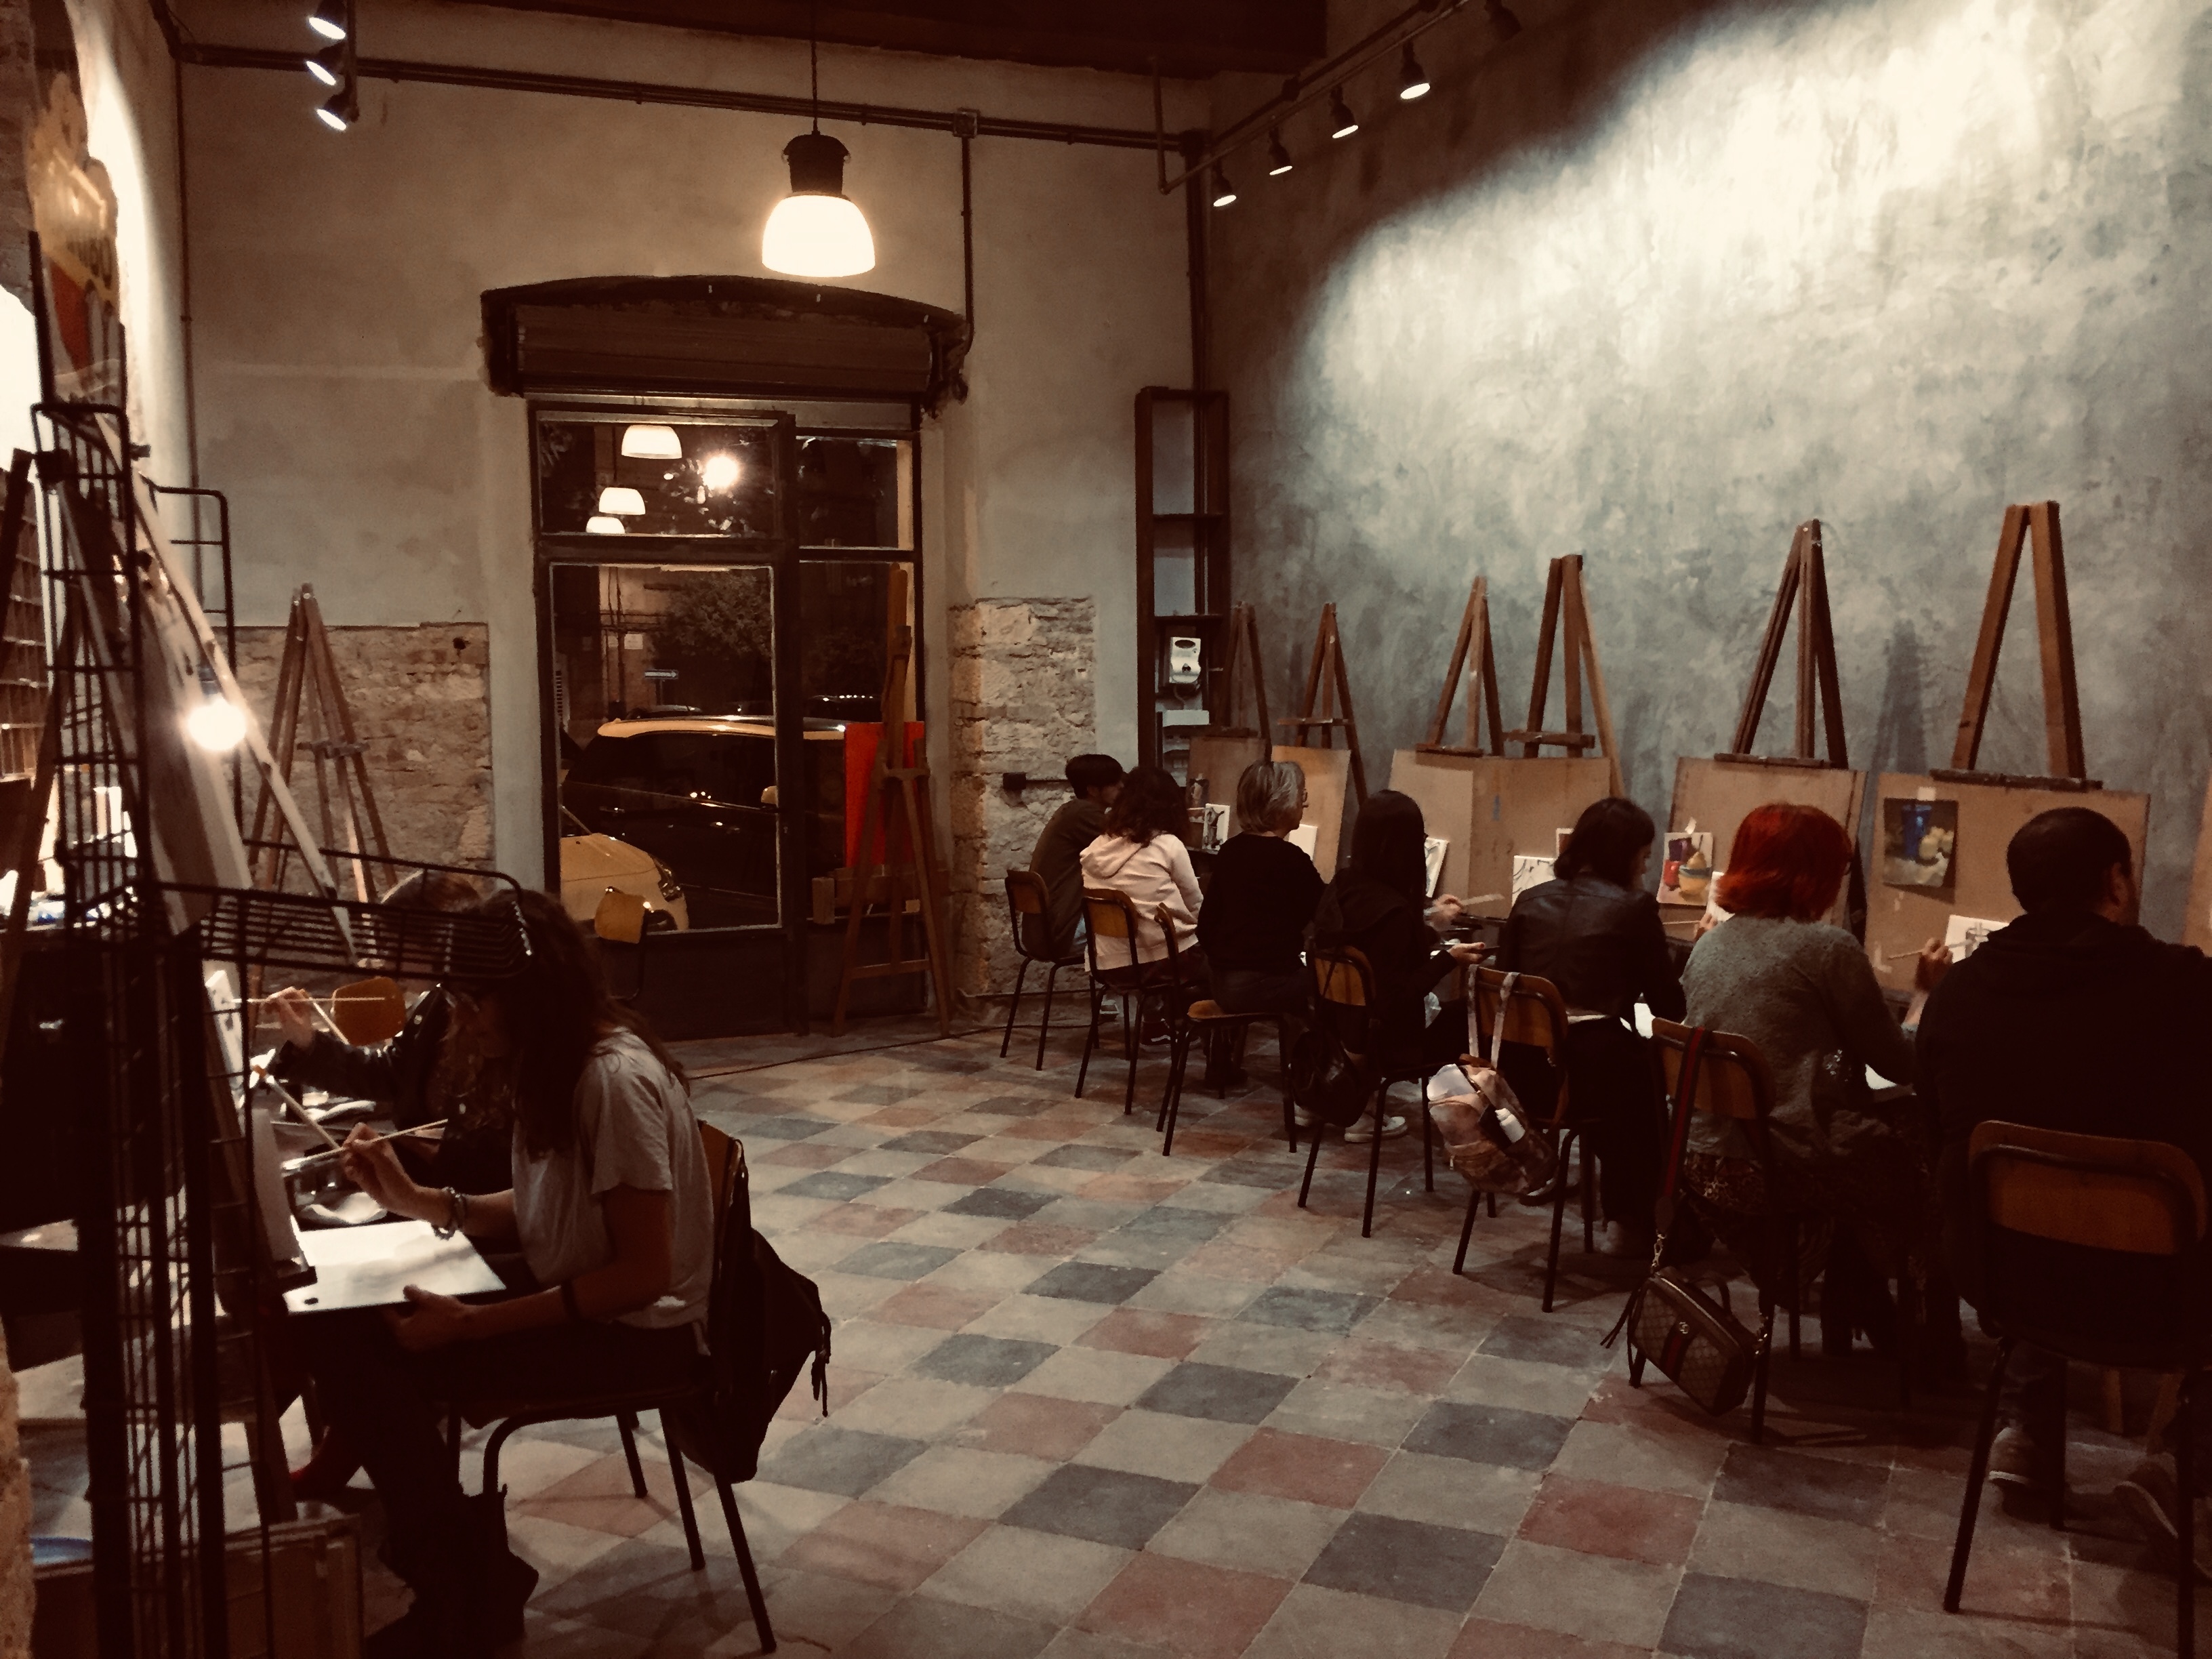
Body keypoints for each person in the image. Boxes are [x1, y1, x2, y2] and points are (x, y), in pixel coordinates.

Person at [298, 891, 714, 1658]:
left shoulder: (614, 1082)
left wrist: (472, 1325)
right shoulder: (558, 1064)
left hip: (637, 1336)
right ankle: (467, 1572)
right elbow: (547, 1206)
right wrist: (418, 1201)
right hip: (592, 1302)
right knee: (339, 1314)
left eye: (472, 1001)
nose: (459, 1021)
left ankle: (461, 1592)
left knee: (374, 1355)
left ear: (529, 993)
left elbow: (642, 1274)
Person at [1919, 807, 2212, 1545]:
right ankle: (2187, 1468)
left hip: (1997, 1277)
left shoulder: (1958, 993)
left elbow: (1933, 1134)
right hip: (2158, 1296)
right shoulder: (2189, 991)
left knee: (2043, 1218)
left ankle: (2025, 1429)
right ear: (2116, 882)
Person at [1681, 802, 1947, 1351]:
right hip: (1774, 1167)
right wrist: (1925, 995)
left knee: (1867, 1145)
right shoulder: (1826, 948)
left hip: (1701, 1158)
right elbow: (1900, 1063)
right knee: (1922, 1153)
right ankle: (1927, 1333)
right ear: (1814, 872)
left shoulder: (1710, 943)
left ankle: (1858, 1297)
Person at [1497, 796, 1685, 1255]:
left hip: (1521, 1076)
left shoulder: (1529, 900)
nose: (1645, 869)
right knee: (1644, 1083)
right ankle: (1633, 1221)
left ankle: (1593, 1199)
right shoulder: (1633, 908)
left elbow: (1504, 984)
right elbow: (1670, 1006)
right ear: (1624, 856)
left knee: (1617, 1069)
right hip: (1591, 1080)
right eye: (1643, 857)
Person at [1311, 791, 1484, 1142]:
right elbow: (1397, 1000)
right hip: (1389, 1041)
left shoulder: (1342, 886)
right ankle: (1482, 1137)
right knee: (1477, 1018)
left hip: (1337, 1029)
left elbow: (1381, 951)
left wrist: (1432, 925)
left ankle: (1340, 1097)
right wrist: (1449, 960)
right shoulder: (1393, 911)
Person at [1195, 760, 1326, 1086]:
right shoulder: (1290, 859)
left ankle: (1221, 1060)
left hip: (1219, 981)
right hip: (1258, 986)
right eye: (1300, 794)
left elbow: (1206, 925)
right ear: (1280, 803)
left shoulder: (1230, 851)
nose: (1305, 802)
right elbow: (1329, 917)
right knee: (1331, 986)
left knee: (1302, 980)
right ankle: (1315, 1081)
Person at [1079, 763, 1206, 983]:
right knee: (1220, 962)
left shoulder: (1095, 848)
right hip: (1161, 962)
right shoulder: (1167, 844)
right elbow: (1196, 907)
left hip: (1106, 964)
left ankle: (1155, 1006)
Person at [1025, 754, 1125, 960]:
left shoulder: (1072, 811)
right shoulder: (1084, 814)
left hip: (1044, 931)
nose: (1122, 787)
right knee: (1146, 930)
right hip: (1061, 933)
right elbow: (1129, 848)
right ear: (1093, 790)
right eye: (1114, 783)